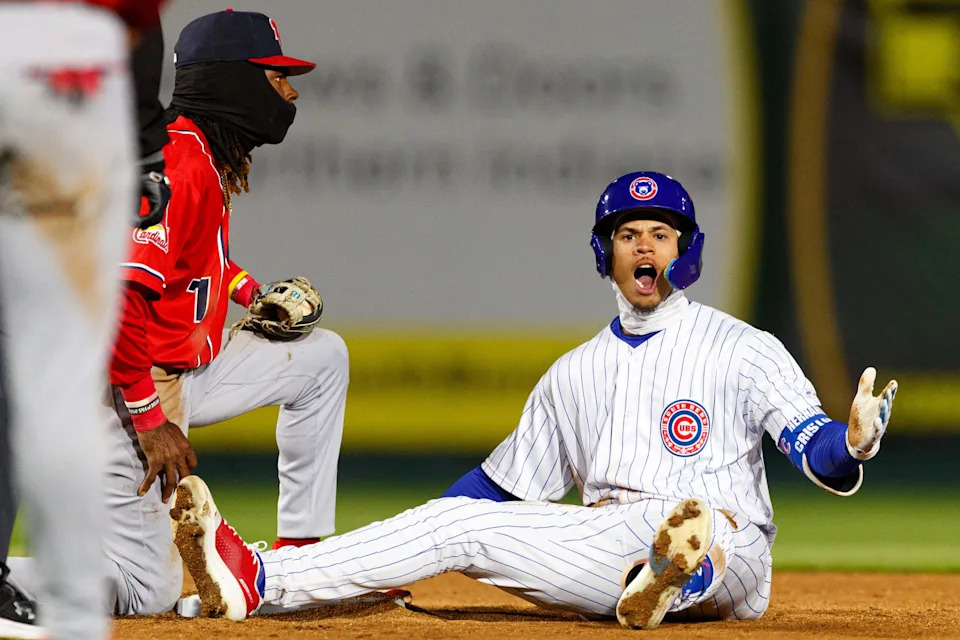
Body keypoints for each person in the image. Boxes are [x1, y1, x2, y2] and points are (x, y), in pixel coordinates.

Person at [169, 171, 897, 630]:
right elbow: (488, 494)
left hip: (733, 550)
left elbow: (817, 451)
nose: (645, 246)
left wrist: (853, 441)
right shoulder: (571, 374)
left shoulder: (744, 346)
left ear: (687, 249)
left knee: (695, 523)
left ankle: (683, 568)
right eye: (628, 234)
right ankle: (261, 578)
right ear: (605, 253)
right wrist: (406, 550)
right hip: (609, 549)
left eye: (661, 233)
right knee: (463, 525)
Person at [6, 8, 349, 620]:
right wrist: (147, 419)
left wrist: (250, 292)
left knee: (321, 358)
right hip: (124, 385)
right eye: (275, 77)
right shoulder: (178, 164)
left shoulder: (200, 151)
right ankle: (11, 579)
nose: (290, 93)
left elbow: (193, 263)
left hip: (188, 368)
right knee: (147, 592)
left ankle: (298, 559)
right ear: (232, 81)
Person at [0, 1, 172, 638]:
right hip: (65, 71)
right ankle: (72, 616)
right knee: (57, 376)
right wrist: (145, 159)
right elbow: (131, 25)